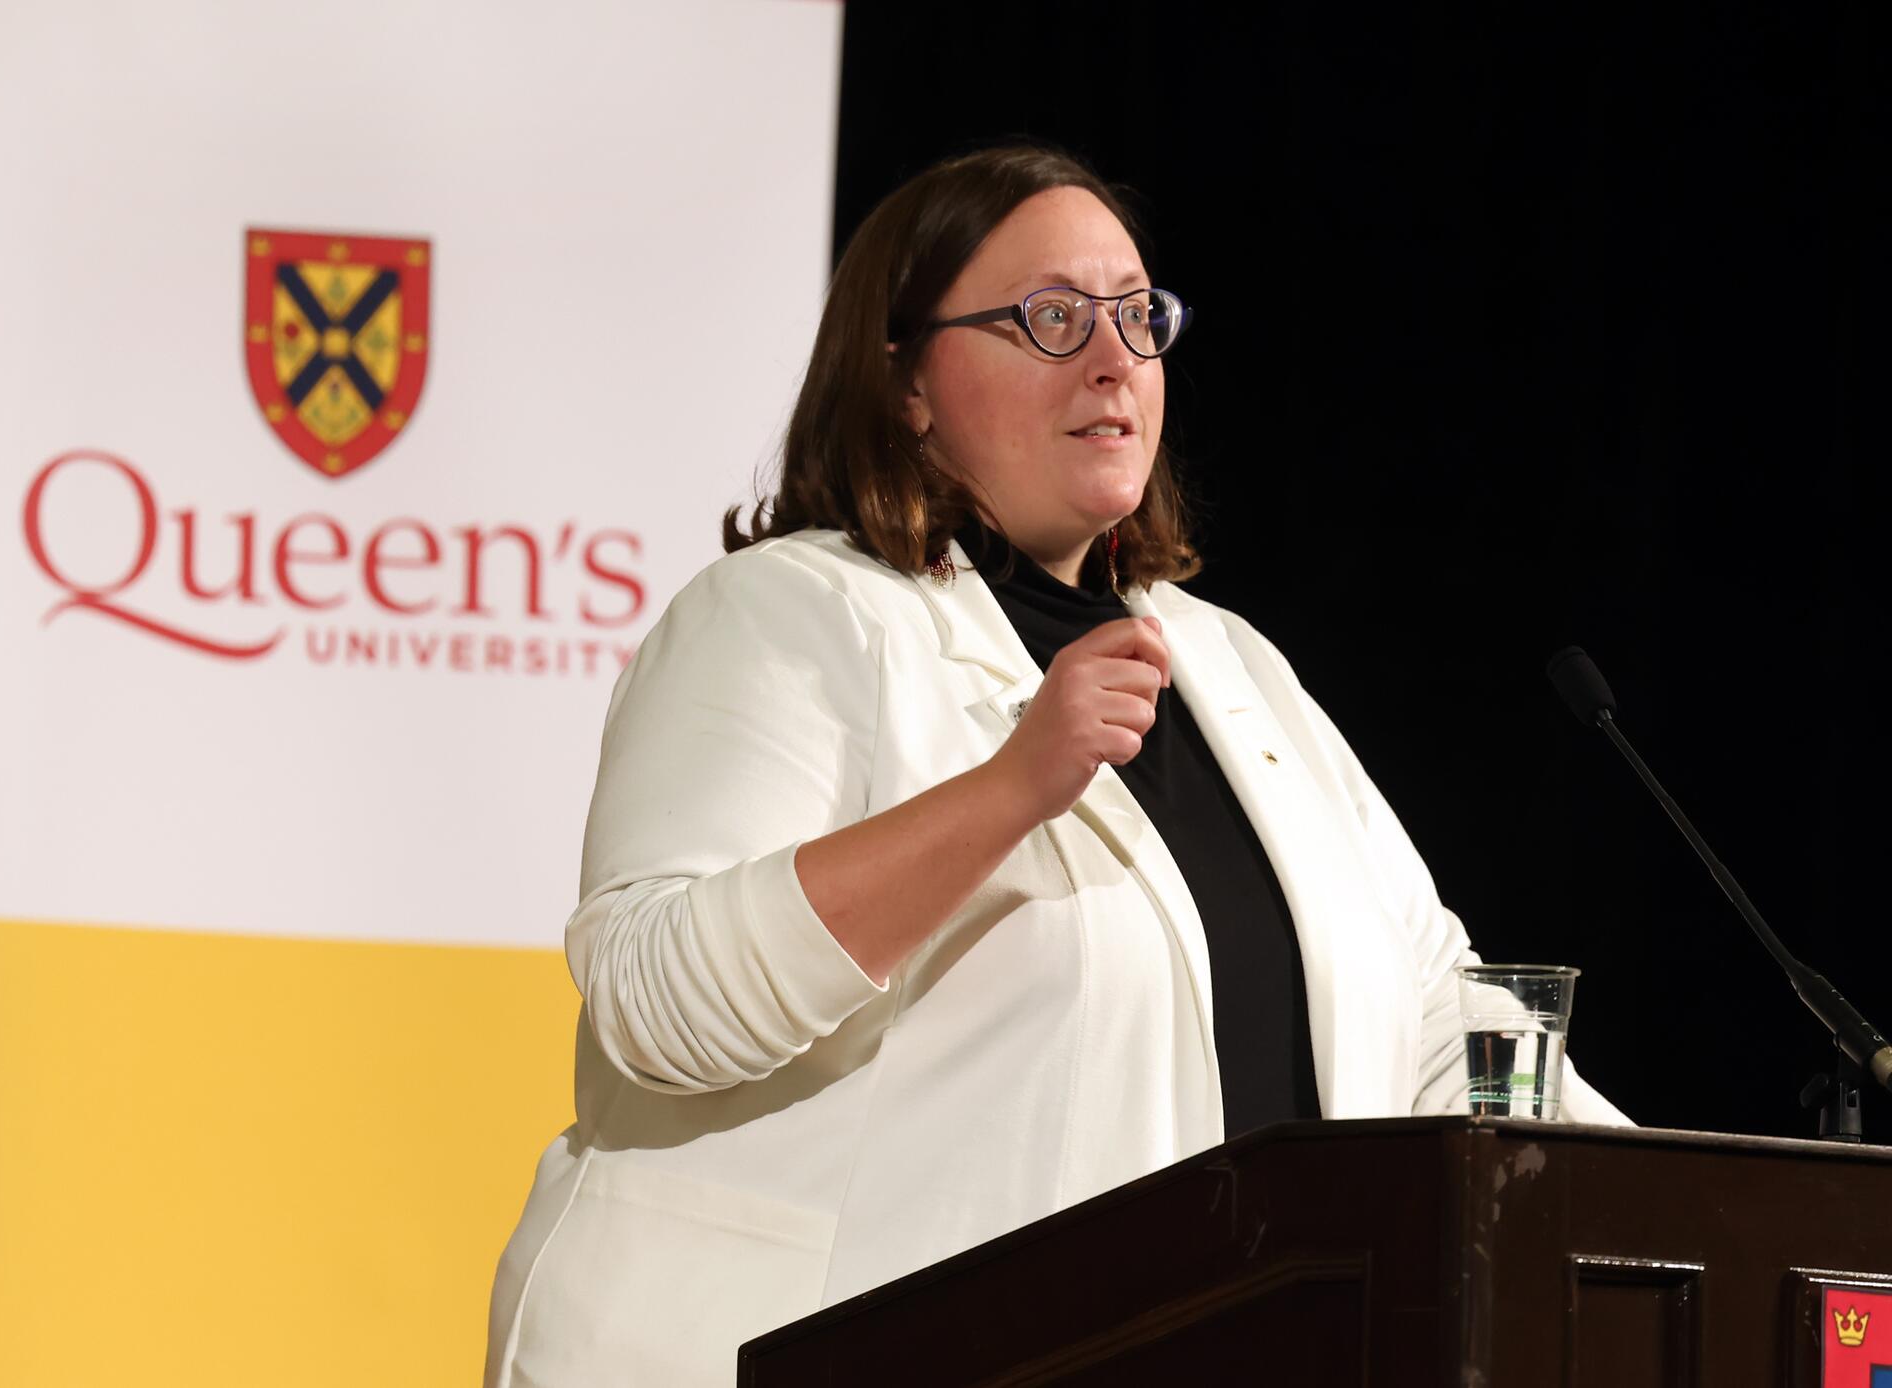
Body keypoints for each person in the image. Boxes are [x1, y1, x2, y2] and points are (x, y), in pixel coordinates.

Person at [483, 145, 1626, 1387]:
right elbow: (653, 998)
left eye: (1138, 316)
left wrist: (1673, 1194)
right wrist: (1008, 788)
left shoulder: (1226, 662)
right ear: (906, 381)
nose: (1112, 358)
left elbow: (1426, 1010)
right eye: (1050, 318)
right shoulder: (785, 614)